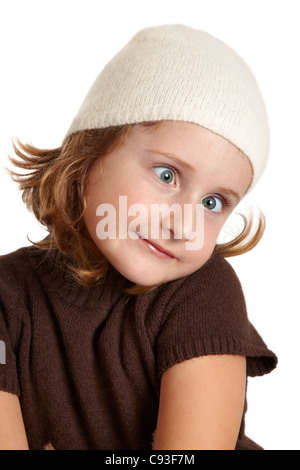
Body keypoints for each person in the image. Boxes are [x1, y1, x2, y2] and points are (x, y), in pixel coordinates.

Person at [0, 24, 277, 450]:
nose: (183, 225)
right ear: (91, 151)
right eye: (166, 175)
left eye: (213, 203)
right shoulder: (7, 297)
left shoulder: (202, 292)